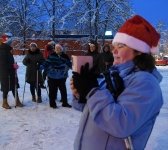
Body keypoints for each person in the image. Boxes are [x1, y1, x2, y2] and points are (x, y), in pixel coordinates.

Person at [70, 15, 163, 150]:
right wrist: (81, 93)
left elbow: (121, 125)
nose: (113, 50)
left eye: (120, 46)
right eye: (114, 45)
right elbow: (90, 109)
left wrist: (92, 92)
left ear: (139, 51)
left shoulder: (146, 83)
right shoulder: (113, 74)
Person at [40, 44, 72, 109]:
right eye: (56, 48)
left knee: (63, 90)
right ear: (55, 49)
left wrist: (75, 68)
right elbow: (46, 63)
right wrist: (41, 67)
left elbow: (69, 63)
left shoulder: (64, 56)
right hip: (52, 76)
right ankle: (52, 104)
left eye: (59, 48)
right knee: (52, 90)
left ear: (61, 49)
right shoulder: (52, 56)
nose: (58, 50)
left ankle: (65, 103)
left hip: (61, 76)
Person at [0, 32, 23, 109]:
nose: (11, 44)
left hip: (11, 72)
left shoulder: (7, 51)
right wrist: (12, 66)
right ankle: (4, 102)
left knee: (13, 86)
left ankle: (17, 101)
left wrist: (13, 65)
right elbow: (2, 64)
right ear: (7, 43)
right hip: (5, 73)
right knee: (6, 87)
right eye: (10, 43)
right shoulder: (2, 51)